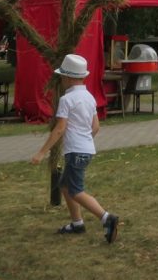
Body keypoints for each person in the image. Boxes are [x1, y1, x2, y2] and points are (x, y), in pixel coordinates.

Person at [31, 54, 120, 243]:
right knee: (65, 185)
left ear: (68, 77)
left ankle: (106, 218)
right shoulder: (89, 97)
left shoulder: (67, 99)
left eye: (62, 76)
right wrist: (84, 141)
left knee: (76, 191)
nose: (61, 80)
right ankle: (77, 223)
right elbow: (96, 127)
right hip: (86, 149)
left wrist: (41, 152)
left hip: (75, 152)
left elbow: (60, 128)